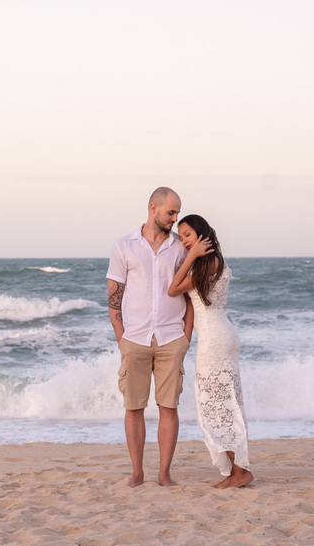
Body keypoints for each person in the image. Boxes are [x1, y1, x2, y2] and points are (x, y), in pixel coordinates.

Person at [106, 187, 194, 487]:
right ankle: (137, 471)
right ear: (153, 208)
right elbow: (113, 297)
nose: (175, 218)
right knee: (134, 407)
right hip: (135, 338)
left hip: (171, 337)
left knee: (169, 407)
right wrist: (122, 337)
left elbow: (192, 293)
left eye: (177, 212)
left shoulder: (181, 248)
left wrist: (187, 334)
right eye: (171, 212)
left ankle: (164, 472)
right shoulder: (123, 246)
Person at [168, 214, 254, 488]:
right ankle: (236, 470)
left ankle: (241, 471)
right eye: (181, 237)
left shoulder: (210, 262)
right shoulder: (211, 263)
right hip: (219, 336)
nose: (184, 241)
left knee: (216, 406)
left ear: (201, 234)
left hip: (217, 339)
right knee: (223, 404)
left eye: (188, 235)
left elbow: (173, 289)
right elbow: (186, 297)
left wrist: (191, 256)